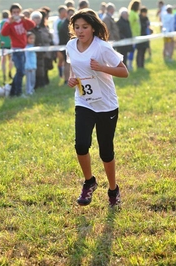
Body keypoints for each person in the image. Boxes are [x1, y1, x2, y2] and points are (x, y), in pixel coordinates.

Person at [65, 8, 129, 208]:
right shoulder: (70, 45)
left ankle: (113, 189)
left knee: (106, 151)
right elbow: (73, 65)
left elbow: (124, 72)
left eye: (84, 27)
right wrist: (71, 77)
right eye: (77, 27)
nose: (80, 31)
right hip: (84, 101)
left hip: (106, 105)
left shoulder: (102, 48)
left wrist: (102, 68)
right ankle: (89, 181)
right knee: (81, 145)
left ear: (93, 28)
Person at [1, 3, 35, 97]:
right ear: (11, 13)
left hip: (23, 49)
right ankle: (18, 92)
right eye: (14, 12)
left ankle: (13, 91)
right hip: (16, 50)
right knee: (20, 71)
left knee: (21, 71)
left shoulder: (22, 21)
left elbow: (32, 25)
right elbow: (3, 33)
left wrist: (25, 18)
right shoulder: (9, 22)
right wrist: (9, 23)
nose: (16, 14)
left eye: (17, 12)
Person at [0, 10, 14, 83]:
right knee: (10, 60)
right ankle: (10, 72)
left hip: (2, 44)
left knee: (3, 61)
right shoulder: (10, 23)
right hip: (10, 43)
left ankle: (4, 74)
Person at [59, 7, 76, 85]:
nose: (72, 16)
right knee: (67, 63)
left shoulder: (72, 24)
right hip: (66, 47)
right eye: (70, 15)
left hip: (70, 46)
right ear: (67, 15)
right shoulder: (65, 25)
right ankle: (66, 80)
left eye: (73, 15)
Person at [53, 5, 68, 80]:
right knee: (61, 59)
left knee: (65, 60)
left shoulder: (65, 21)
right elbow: (55, 32)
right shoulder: (57, 21)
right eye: (64, 11)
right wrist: (57, 42)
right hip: (59, 43)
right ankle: (60, 74)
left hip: (64, 42)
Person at [127, 0, 141, 70]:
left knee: (133, 50)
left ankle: (130, 64)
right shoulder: (132, 13)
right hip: (133, 36)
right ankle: (129, 65)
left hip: (136, 36)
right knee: (131, 50)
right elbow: (130, 24)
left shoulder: (136, 13)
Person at [25, 31, 36, 96]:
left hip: (33, 66)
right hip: (28, 67)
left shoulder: (33, 46)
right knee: (28, 80)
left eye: (33, 38)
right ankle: (28, 91)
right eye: (30, 38)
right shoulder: (26, 47)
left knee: (33, 79)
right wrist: (29, 66)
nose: (32, 40)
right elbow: (26, 58)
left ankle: (32, 90)